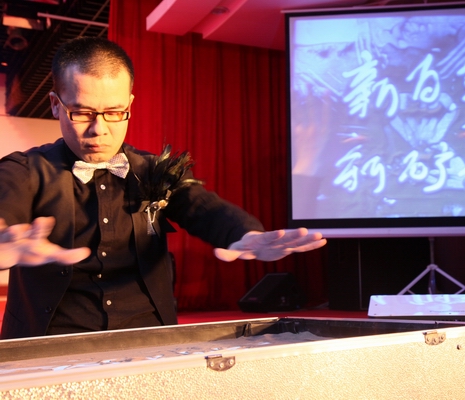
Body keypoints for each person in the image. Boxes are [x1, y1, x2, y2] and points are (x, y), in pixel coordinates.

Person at [0, 37, 326, 340]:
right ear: (55, 105)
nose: (100, 129)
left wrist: (246, 234)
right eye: (82, 112)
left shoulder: (155, 169)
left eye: (114, 112)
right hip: (49, 340)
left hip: (148, 337)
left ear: (130, 104)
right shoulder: (23, 169)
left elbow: (203, 207)